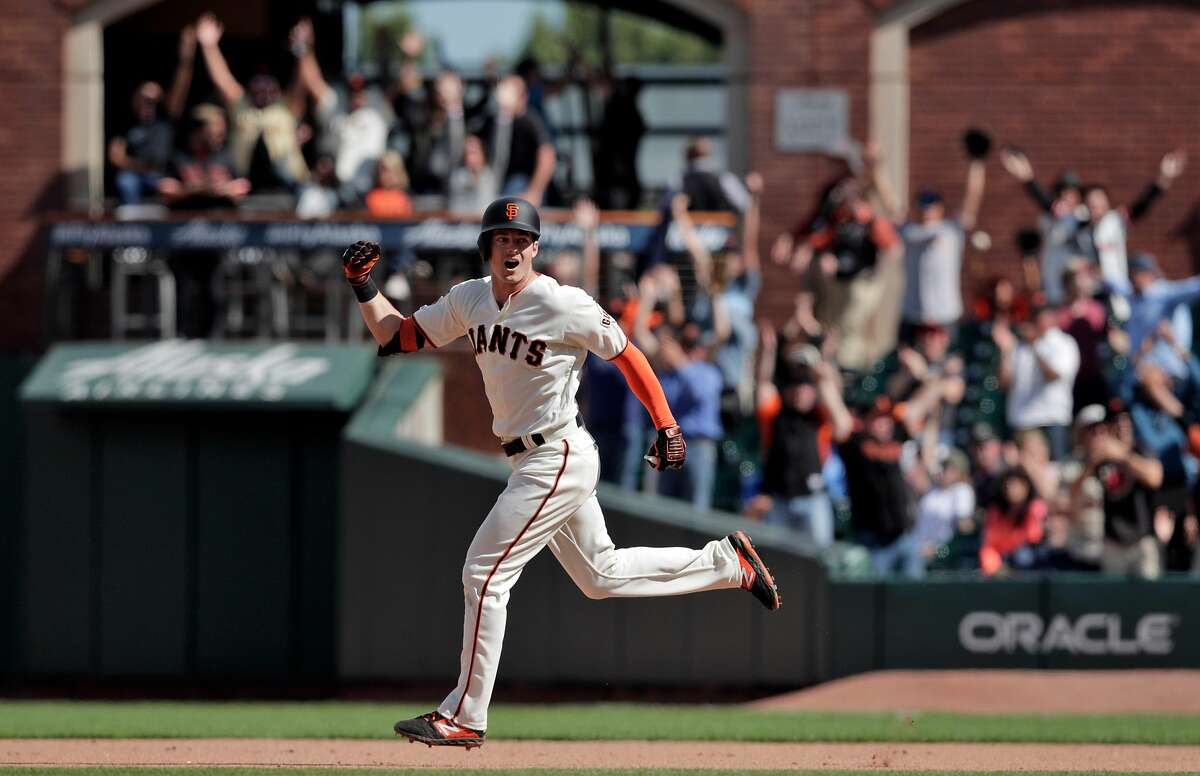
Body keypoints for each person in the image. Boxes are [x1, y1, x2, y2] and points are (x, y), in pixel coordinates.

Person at [340, 197, 782, 748]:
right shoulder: (469, 299)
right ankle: (727, 563)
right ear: (488, 247)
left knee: (483, 574)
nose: (513, 248)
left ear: (536, 248)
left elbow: (626, 353)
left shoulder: (561, 302)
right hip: (531, 458)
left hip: (557, 452)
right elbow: (397, 336)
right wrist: (363, 286)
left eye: (523, 239)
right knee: (600, 575)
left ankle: (466, 714)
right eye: (503, 239)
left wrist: (666, 424)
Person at [195, 13, 309, 192]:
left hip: (290, 184)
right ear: (250, 89)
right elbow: (222, 80)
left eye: (269, 89)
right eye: (258, 89)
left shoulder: (287, 107)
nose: (264, 93)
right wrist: (209, 46)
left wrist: (303, 49)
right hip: (246, 184)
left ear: (278, 91)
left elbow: (302, 83)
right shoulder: (241, 106)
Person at [292, 19, 389, 200]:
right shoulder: (338, 111)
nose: (358, 95)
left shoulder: (377, 114)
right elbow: (314, 83)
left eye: (362, 90)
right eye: (353, 91)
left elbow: (402, 85)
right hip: (338, 190)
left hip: (368, 190)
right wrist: (304, 49)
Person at [109, 28, 196, 205]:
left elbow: (181, 85)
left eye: (154, 100)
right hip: (135, 174)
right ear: (134, 99)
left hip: (162, 174)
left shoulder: (165, 119)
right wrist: (140, 166)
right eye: (144, 98)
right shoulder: (126, 123)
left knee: (174, 188)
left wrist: (186, 57)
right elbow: (115, 156)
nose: (148, 103)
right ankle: (132, 230)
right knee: (125, 182)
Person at [994, 303, 1080, 461]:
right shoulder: (1019, 347)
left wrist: (1035, 345)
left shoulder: (1064, 344)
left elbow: (1053, 376)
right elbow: (1003, 384)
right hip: (1022, 422)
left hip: (1051, 420)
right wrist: (1005, 351)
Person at [979, 467, 1047, 575]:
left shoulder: (1035, 508)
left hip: (1029, 563)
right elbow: (990, 544)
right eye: (1008, 486)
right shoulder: (996, 512)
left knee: (1023, 555)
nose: (1012, 490)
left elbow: (1033, 537)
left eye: (1016, 485)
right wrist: (994, 568)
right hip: (1003, 562)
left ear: (1026, 487)